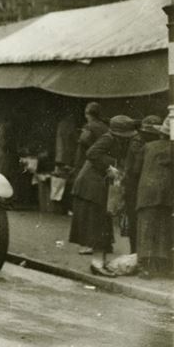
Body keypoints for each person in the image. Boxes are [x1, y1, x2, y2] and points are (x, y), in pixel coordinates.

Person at [69, 114, 137, 276]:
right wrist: (111, 167)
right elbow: (91, 153)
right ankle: (97, 264)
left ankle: (99, 262)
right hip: (91, 187)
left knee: (101, 225)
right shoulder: (108, 138)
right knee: (98, 225)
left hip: (95, 187)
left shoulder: (114, 139)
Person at [135, 117, 173, 278]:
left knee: (146, 227)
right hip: (167, 193)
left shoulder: (147, 147)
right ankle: (163, 266)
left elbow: (136, 169)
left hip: (147, 192)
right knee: (164, 228)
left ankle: (145, 267)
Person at [122, 115, 163, 254]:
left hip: (141, 185)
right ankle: (135, 253)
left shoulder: (141, 142)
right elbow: (135, 169)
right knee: (135, 222)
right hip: (134, 186)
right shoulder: (138, 143)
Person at [74, 102, 109, 173]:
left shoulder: (88, 127)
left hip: (89, 165)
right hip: (103, 164)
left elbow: (81, 147)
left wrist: (76, 167)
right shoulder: (106, 127)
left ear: (87, 114)